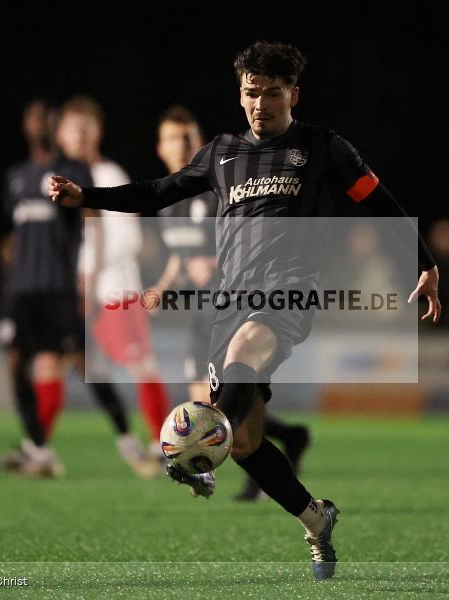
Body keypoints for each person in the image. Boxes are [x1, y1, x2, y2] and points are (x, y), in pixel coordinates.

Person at [48, 41, 440, 581]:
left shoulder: (323, 147)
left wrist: (425, 261)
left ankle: (194, 447)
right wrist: (86, 197)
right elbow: (158, 192)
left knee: (243, 354)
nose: (260, 103)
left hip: (288, 292)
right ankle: (315, 518)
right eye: (251, 93)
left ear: (293, 94)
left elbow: (379, 201)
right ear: (239, 95)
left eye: (272, 93)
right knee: (248, 443)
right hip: (228, 303)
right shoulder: (222, 153)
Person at [0, 98, 155, 479]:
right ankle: (38, 448)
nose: (38, 123)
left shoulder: (73, 171)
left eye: (45, 117)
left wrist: (89, 282)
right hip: (22, 290)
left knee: (85, 364)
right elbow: (16, 234)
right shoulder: (16, 176)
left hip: (60, 288)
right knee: (20, 361)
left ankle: (127, 438)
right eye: (32, 117)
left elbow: (94, 224)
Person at [153, 104, 310, 501]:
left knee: (215, 396)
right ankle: (286, 438)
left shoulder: (213, 189)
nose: (180, 145)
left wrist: (215, 262)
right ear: (160, 147)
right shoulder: (170, 202)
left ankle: (206, 467)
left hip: (232, 302)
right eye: (172, 138)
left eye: (187, 137)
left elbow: (248, 240)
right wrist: (163, 285)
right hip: (201, 307)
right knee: (213, 396)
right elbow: (182, 255)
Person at [57, 95, 172, 466]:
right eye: (73, 129)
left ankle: (162, 441)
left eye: (86, 130)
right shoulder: (57, 181)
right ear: (60, 135)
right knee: (72, 363)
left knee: (140, 363)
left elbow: (128, 238)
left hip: (114, 290)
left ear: (98, 134)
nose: (79, 137)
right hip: (74, 291)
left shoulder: (108, 177)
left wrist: (88, 275)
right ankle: (43, 445)